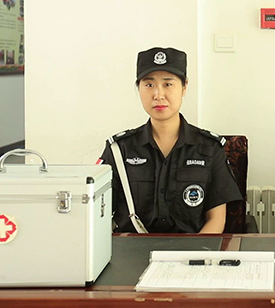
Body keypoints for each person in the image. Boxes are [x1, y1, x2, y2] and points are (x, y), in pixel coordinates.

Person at [98, 47, 242, 233]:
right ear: (138, 88)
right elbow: (98, 215)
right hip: (132, 249)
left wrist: (195, 251)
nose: (158, 95)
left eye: (167, 84)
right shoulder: (119, 150)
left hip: (192, 249)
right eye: (149, 85)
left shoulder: (209, 148)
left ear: (184, 87)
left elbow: (216, 219)